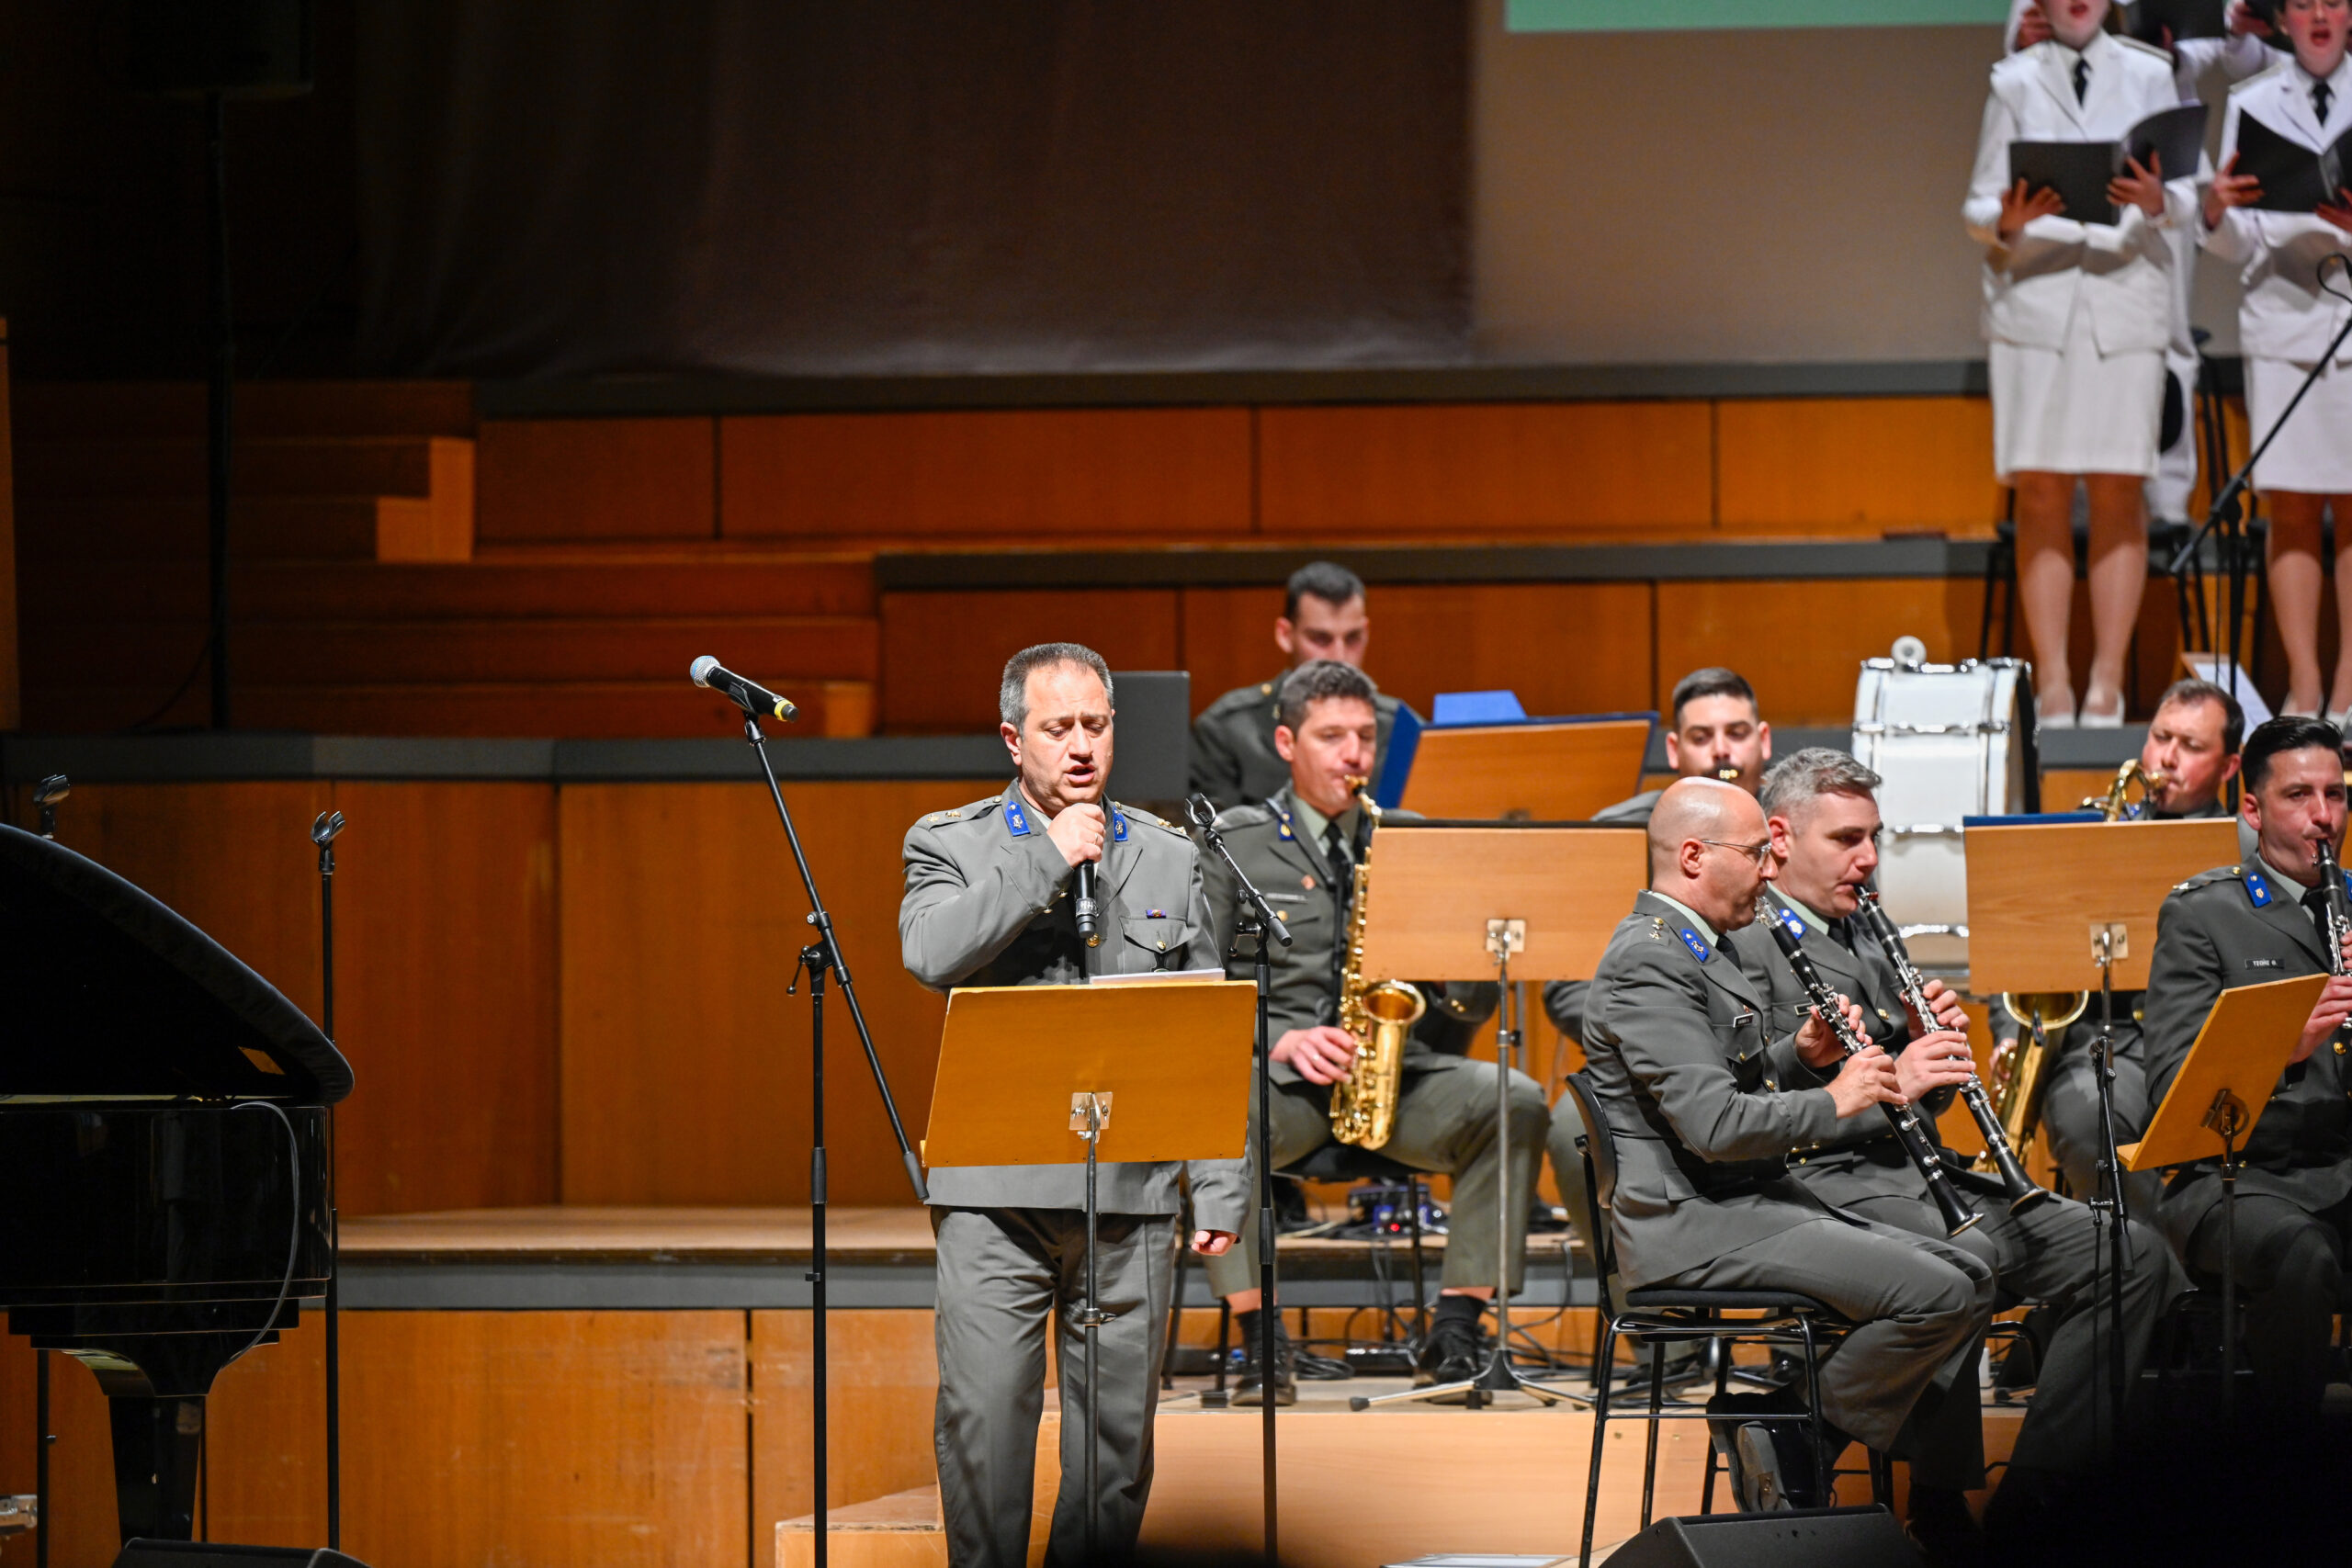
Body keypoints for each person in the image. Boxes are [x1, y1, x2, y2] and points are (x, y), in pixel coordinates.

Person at [1740, 750, 2169, 1558]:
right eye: (1846, 838)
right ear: (1781, 837)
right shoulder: (1745, 938)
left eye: (1875, 836)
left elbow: (1912, 1097)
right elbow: (1750, 1103)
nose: (1869, 857)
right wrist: (1891, 1073)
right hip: (1818, 1184)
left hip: (1917, 1174)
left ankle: (2036, 1497)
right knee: (1964, 1255)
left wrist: (1930, 1055)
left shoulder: (1867, 930)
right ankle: (1927, 1498)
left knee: (2128, 1252)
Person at [899, 642, 1246, 1567]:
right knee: (986, 1429)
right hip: (995, 1199)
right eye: (1059, 728)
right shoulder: (950, 841)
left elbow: (1206, 1028)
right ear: (1015, 739)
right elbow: (929, 953)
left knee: (1115, 1455)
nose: (1082, 745)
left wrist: (1218, 1182)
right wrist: (1046, 857)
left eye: (1096, 724)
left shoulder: (1168, 855)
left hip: (1130, 1195)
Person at [1576, 777, 1995, 1513]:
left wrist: (1798, 1057)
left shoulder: (1694, 945)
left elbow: (1722, 1083)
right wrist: (1837, 1097)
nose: (1771, 869)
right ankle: (1792, 1427)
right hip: (1690, 1224)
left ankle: (1789, 1429)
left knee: (1972, 1270)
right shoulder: (1649, 960)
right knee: (1942, 1292)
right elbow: (1714, 1126)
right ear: (1695, 856)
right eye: (1754, 853)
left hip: (1738, 1200)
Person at [1196, 660, 1545, 1404]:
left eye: (1364, 736)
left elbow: (1474, 1005)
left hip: (1395, 1074)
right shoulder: (1235, 841)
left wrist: (1464, 960)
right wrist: (1281, 1038)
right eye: (1332, 736)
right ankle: (1260, 1336)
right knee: (1212, 1109)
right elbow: (1197, 987)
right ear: (1287, 743)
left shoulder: (1406, 837)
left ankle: (1456, 1329)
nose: (1353, 753)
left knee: (1515, 1099)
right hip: (1282, 1086)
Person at [1966, 0, 2195, 727]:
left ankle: (2107, 682)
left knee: (2119, 487)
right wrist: (2009, 217)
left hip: (2124, 301)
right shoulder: (2014, 79)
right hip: (2037, 305)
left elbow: (2188, 194)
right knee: (2041, 489)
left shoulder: (2150, 73)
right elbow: (1979, 205)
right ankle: (2057, 684)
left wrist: (2159, 200)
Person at [2142, 715, 2352, 1419]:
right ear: (2253, 809)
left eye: (2335, 794)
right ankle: (2287, 1463)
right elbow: (2173, 1090)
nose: (2324, 816)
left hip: (2340, 1167)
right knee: (2302, 1255)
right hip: (2232, 1179)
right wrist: (2284, 1044)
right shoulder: (2204, 914)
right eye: (2299, 795)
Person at [2008, 1, 2276, 525]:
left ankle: (2166, 497)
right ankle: (2076, 488)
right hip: (2069, 147)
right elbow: (2022, 31)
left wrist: (2207, 38)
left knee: (2166, 329)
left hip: (2157, 147)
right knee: (2070, 324)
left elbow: (2234, 52)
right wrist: (2025, 37)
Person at [1543, 668, 1771, 1274]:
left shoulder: (1802, 822)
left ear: (1764, 740)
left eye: (1736, 732)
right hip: (1654, 1058)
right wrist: (1657, 1029)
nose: (1721, 750)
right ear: (1674, 749)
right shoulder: (1618, 831)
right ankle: (1647, 1306)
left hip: (1774, 1050)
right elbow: (1564, 984)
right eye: (1701, 736)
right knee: (1573, 1129)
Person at [2025, 677, 2246, 1215]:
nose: (2167, 758)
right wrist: (2013, 1034)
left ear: (2229, 767)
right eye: (2160, 737)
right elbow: (2026, 943)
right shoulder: (2095, 831)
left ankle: (2171, 1251)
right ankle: (2165, 1256)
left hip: (2208, 1044)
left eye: (2191, 746)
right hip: (2112, 1046)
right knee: (2086, 1123)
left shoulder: (2245, 849)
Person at [2202, 0, 2352, 720]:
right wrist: (2216, 211)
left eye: (2333, 1)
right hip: (2282, 319)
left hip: (2350, 316)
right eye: (2302, 4)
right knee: (2289, 504)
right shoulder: (2252, 101)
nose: (2319, 15)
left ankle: (2350, 685)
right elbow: (2240, 240)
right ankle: (2305, 682)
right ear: (2283, 20)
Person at [1190, 561, 1414, 810]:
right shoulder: (1226, 731)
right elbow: (1212, 831)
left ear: (1366, 632)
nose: (1339, 656)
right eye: (1321, 639)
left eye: (1352, 638)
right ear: (1285, 634)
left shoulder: (1401, 728)